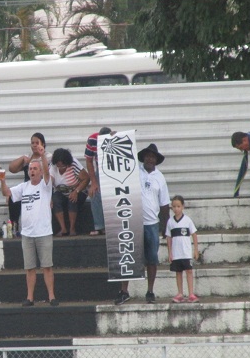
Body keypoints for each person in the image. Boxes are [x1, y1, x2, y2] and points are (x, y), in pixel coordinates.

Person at [0, 149, 58, 306]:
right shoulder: (23, 187)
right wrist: (2, 180)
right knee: (30, 268)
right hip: (27, 234)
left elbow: (47, 171)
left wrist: (43, 157)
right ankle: (30, 298)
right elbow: (7, 193)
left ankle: (51, 296)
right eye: (30, 169)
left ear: (40, 172)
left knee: (47, 266)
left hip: (44, 232)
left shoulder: (45, 185)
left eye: (35, 169)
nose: (32, 171)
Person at [115, 143, 170, 305]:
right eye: (147, 155)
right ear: (143, 157)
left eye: (153, 156)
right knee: (128, 258)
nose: (150, 159)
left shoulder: (160, 178)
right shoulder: (134, 172)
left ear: (156, 160)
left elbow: (165, 204)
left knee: (152, 259)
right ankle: (124, 291)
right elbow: (119, 162)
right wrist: (115, 139)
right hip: (133, 222)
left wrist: (165, 227)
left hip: (152, 223)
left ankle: (150, 291)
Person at [8, 133, 51, 236]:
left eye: (37, 143)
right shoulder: (28, 157)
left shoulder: (48, 157)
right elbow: (11, 169)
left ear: (43, 144)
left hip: (42, 188)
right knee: (12, 198)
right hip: (27, 187)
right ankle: (14, 225)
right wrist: (22, 159)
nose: (35, 145)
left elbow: (49, 177)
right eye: (32, 143)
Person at [166, 195, 199, 303]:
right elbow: (169, 238)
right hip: (176, 253)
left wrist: (195, 250)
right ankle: (180, 293)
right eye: (174, 206)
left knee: (189, 271)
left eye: (178, 206)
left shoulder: (187, 220)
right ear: (172, 207)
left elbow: (194, 234)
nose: (176, 209)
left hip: (186, 252)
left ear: (183, 207)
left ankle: (191, 294)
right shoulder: (170, 222)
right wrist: (170, 252)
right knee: (178, 272)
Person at [49, 148, 90, 236]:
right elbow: (49, 182)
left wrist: (76, 191)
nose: (60, 168)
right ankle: (63, 228)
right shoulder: (52, 166)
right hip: (61, 191)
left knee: (72, 200)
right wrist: (49, 197)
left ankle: (72, 228)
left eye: (63, 166)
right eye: (58, 166)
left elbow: (86, 178)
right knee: (56, 199)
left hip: (78, 190)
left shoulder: (74, 164)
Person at [84, 126, 113, 236]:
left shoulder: (117, 138)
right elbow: (89, 161)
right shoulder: (92, 139)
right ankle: (99, 226)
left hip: (114, 171)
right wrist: (94, 182)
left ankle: (112, 226)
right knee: (94, 193)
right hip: (100, 170)